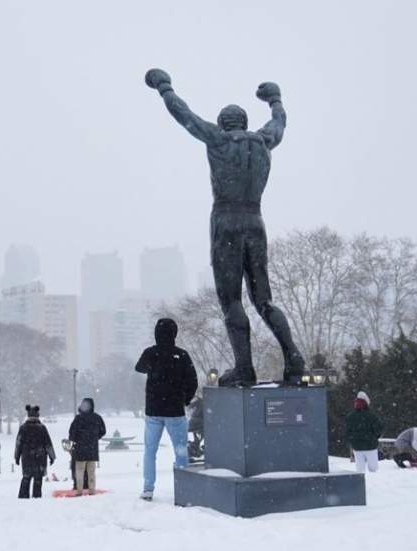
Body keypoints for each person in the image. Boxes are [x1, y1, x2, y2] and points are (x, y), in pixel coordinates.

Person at [145, 69, 305, 388]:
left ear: (223, 124)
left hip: (226, 222)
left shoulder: (217, 139)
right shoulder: (262, 141)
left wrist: (164, 87)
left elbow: (184, 114)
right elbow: (279, 123)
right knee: (264, 299)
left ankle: (244, 368)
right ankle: (294, 358)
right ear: (244, 124)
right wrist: (275, 99)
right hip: (255, 222)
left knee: (231, 299)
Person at [135, 318, 198, 501]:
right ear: (175, 333)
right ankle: (184, 488)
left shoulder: (150, 353)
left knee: (150, 451)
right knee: (180, 451)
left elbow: (139, 367)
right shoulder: (182, 355)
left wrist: (154, 365)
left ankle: (148, 488)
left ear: (156, 333)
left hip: (153, 410)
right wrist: (184, 399)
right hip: (175, 412)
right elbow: (192, 381)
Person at [14, 405, 56, 499]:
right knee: (38, 478)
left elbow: (18, 443)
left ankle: (23, 497)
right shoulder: (42, 428)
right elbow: (48, 444)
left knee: (26, 478)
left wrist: (17, 457)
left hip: (27, 457)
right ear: (38, 415)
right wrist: (52, 457)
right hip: (40, 457)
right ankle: (36, 497)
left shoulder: (23, 428)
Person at [69, 398, 106, 496]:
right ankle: (92, 490)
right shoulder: (97, 418)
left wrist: (74, 441)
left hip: (79, 450)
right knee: (91, 472)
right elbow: (103, 431)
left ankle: (79, 491)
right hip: (92, 449)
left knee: (79, 471)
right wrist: (95, 438)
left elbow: (71, 433)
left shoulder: (78, 419)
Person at [345, 391, 384, 473]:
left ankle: (360, 485)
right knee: (374, 470)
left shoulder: (350, 416)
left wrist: (352, 440)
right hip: (371, 446)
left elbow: (347, 432)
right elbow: (379, 429)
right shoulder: (371, 415)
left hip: (357, 447)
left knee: (360, 471)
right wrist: (374, 437)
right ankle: (376, 484)